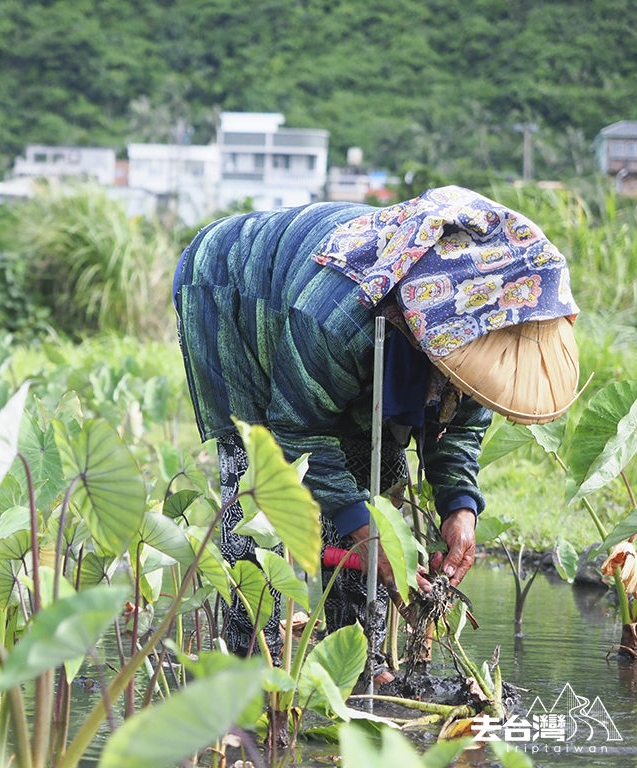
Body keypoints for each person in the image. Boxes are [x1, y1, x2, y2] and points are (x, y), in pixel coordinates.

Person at [173, 185, 580, 677]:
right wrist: (360, 528)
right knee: (257, 484)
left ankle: (355, 662)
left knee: (377, 481)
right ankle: (247, 659)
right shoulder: (333, 320)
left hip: (357, 333)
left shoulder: (480, 315)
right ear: (430, 335)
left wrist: (460, 509)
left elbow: (459, 429)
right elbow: (297, 430)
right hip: (236, 292)